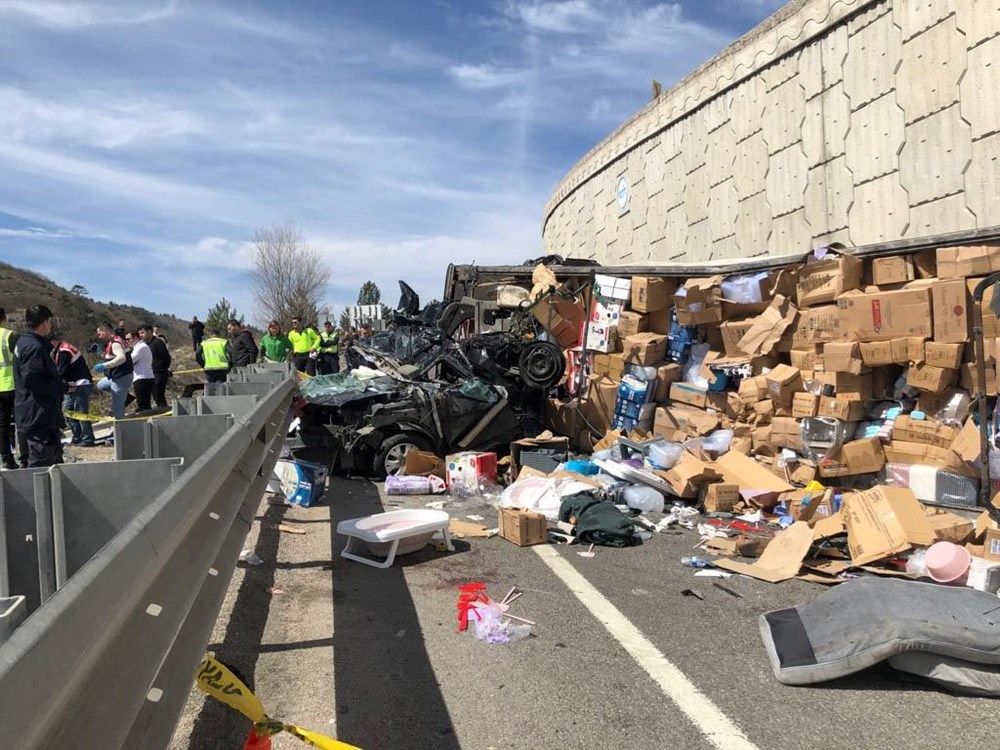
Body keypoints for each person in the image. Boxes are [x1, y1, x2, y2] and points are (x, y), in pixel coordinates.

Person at [13, 305, 65, 468]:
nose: (50, 325)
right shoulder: (34, 347)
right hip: (38, 413)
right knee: (42, 463)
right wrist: (58, 387)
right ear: (43, 323)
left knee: (43, 459)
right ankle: (41, 494)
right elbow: (32, 380)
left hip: (29, 409)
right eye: (49, 321)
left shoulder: (23, 342)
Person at [50, 333, 96, 447]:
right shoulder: (62, 349)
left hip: (80, 385)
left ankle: (87, 439)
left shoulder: (63, 351)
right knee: (68, 411)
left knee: (81, 413)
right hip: (72, 385)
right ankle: (77, 437)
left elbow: (62, 372)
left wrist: (53, 382)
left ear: (52, 341)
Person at [94, 320, 134, 420]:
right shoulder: (113, 341)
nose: (98, 336)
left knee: (117, 408)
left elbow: (121, 358)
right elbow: (111, 356)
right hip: (116, 376)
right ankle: (125, 396)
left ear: (106, 331)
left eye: (100, 333)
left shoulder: (115, 343)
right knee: (101, 385)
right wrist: (99, 353)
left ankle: (122, 431)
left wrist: (104, 365)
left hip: (121, 376)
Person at [0, 308, 18, 469]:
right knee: (23, 422)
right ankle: (26, 456)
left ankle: (6, 459)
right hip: (13, 385)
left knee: (2, 426)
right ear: (4, 318)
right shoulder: (9, 335)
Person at [140, 324, 171, 408]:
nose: (141, 335)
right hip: (149, 373)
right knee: (153, 396)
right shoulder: (144, 344)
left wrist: (162, 370)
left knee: (159, 395)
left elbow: (166, 358)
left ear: (149, 332)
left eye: (143, 333)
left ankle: (164, 412)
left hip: (159, 373)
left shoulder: (158, 343)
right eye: (140, 333)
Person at [126, 329, 154, 412]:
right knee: (145, 404)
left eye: (128, 339)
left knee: (143, 406)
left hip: (142, 378)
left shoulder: (140, 348)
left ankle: (145, 422)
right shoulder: (141, 347)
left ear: (135, 338)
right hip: (144, 377)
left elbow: (129, 361)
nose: (127, 341)